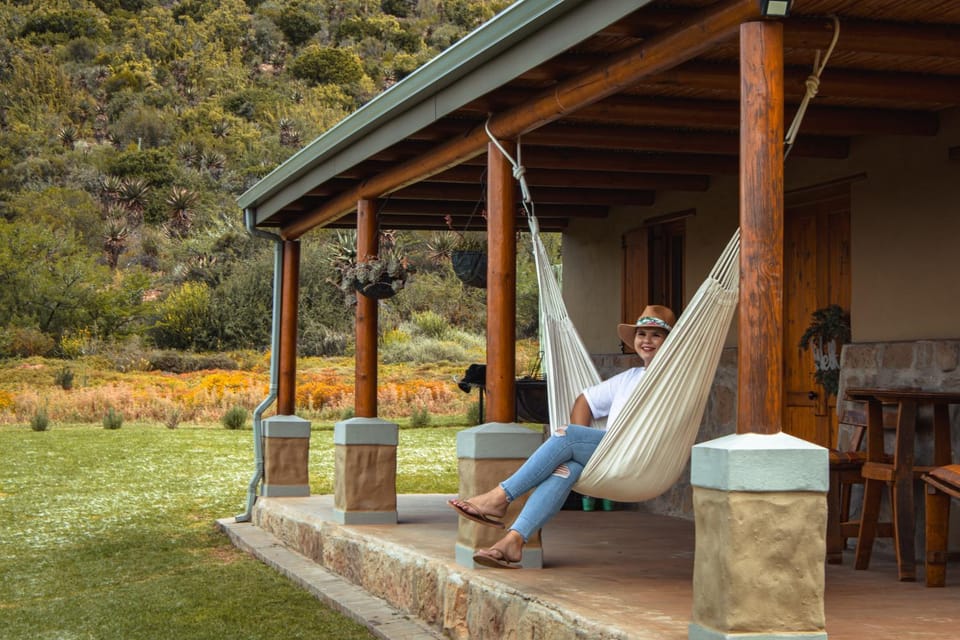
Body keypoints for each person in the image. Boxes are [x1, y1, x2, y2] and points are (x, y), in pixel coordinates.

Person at [448, 304, 677, 569]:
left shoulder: (673, 377)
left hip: (638, 457)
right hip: (610, 454)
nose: (646, 340)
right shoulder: (630, 377)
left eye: (656, 335)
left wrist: (575, 438)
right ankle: (513, 541)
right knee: (565, 467)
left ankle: (499, 498)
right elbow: (585, 401)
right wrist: (582, 441)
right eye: (641, 334)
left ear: (670, 342)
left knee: (566, 435)